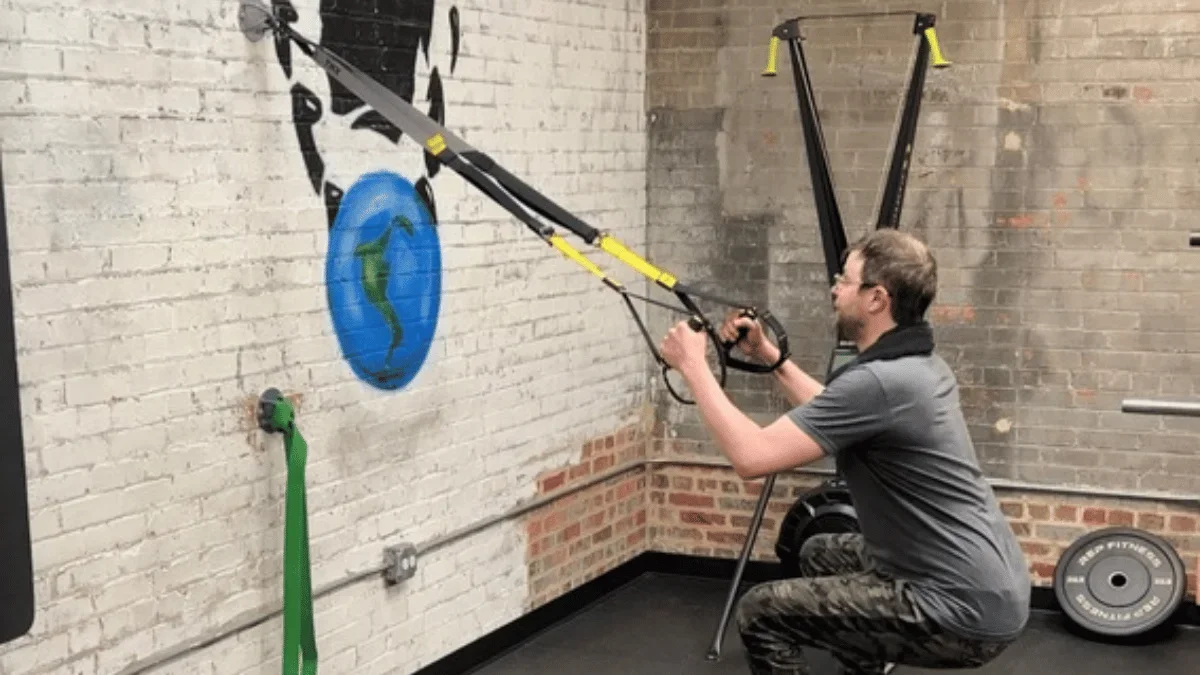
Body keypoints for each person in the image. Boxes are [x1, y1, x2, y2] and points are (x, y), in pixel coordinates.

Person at [658, 229, 1030, 675]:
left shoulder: (881, 381)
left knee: (761, 613)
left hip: (959, 608)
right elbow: (832, 411)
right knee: (820, 553)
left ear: (876, 299)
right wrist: (769, 356)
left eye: (845, 279)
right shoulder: (916, 367)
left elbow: (751, 457)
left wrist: (693, 366)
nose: (834, 287)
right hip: (985, 583)